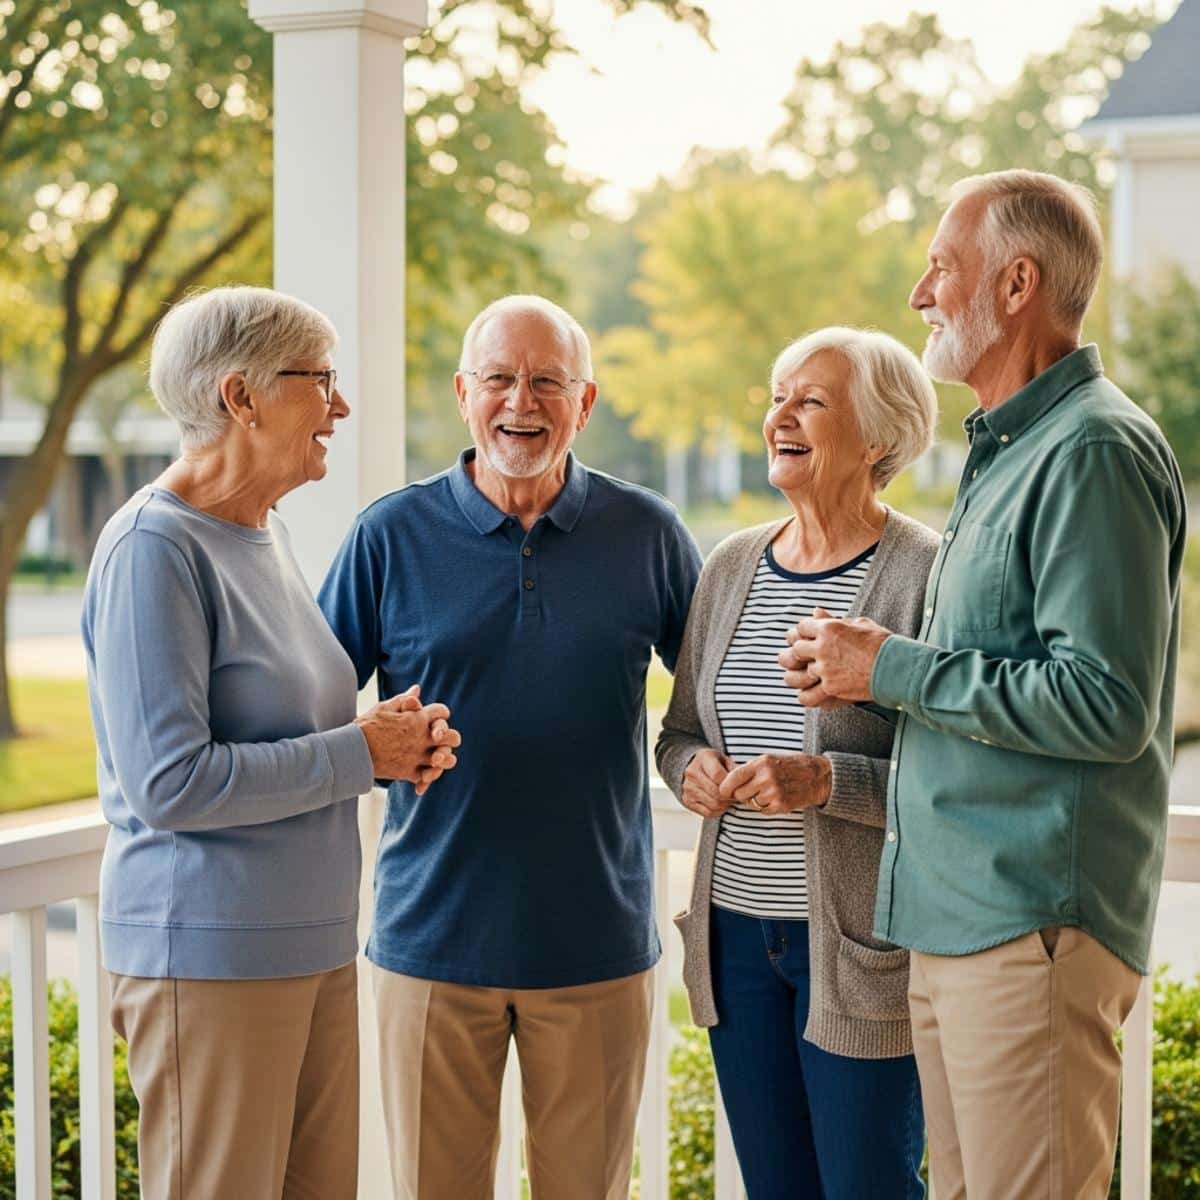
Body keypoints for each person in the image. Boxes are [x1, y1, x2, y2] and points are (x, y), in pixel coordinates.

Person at [781, 170, 1187, 1199]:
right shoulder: (1009, 452)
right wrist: (875, 668)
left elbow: (1104, 701)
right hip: (958, 925)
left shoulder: (1091, 447)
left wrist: (893, 666)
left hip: (1030, 930)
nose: (920, 294)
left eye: (941, 269)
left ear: (1016, 284)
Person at [318, 293, 702, 1200]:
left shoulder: (646, 533)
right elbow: (311, 709)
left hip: (597, 947)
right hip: (432, 946)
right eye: (498, 379)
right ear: (463, 393)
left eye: (545, 382)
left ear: (585, 401)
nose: (519, 402)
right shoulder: (389, 535)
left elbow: (715, 699)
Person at [82, 286, 460, 1199]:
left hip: (314, 943)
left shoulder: (265, 534)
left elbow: (302, 729)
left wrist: (393, 741)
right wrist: (359, 754)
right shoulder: (153, 549)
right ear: (239, 397)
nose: (340, 405)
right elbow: (169, 782)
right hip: (208, 955)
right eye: (320, 379)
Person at [657, 327, 939, 1199]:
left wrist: (826, 782)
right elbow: (676, 733)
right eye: (778, 395)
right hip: (736, 939)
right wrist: (690, 767)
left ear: (880, 438)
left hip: (857, 944)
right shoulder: (732, 563)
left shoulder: (926, 573)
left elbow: (958, 783)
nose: (780, 415)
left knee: (869, 1186)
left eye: (811, 400)